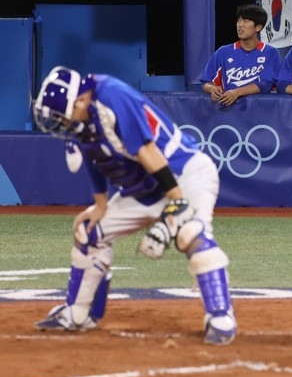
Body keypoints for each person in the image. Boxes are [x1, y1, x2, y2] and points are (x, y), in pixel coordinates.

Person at [31, 66, 237, 345]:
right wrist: (100, 205)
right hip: (143, 187)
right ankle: (78, 313)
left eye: (60, 116)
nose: (59, 123)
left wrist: (177, 200)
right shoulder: (81, 117)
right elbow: (94, 157)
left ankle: (220, 317)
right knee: (89, 233)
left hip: (182, 173)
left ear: (78, 101)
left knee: (192, 236)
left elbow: (147, 150)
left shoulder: (111, 94)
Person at [200, 4, 281, 106]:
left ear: (258, 27)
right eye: (238, 20)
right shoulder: (223, 52)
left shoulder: (270, 53)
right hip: (228, 111)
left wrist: (237, 92)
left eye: (245, 21)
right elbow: (206, 82)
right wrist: (212, 89)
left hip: (261, 110)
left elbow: (266, 84)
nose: (240, 25)